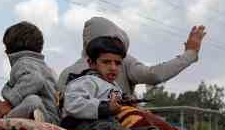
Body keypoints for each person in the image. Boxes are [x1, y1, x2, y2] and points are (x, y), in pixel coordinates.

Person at [57, 16, 206, 100]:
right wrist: (190, 54)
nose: (113, 67)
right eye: (107, 62)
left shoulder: (66, 73)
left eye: (117, 62)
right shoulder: (124, 60)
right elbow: (153, 75)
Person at [0, 21, 60, 125]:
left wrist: (9, 103)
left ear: (9, 50)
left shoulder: (23, 63)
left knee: (33, 101)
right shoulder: (46, 67)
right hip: (25, 112)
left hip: (45, 116)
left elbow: (36, 79)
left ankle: (4, 121)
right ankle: (10, 117)